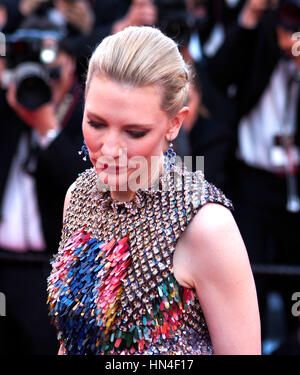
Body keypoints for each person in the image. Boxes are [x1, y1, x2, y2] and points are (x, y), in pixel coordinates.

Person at [47, 25, 261, 355]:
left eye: (135, 132)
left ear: (175, 123)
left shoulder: (206, 226)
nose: (111, 148)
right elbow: (70, 340)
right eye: (96, 123)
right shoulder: (77, 197)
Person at [204, 0, 300, 347]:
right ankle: (250, 345)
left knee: (295, 288)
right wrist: (253, 15)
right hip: (252, 179)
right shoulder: (256, 34)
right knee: (250, 271)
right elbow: (217, 76)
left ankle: (294, 337)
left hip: (294, 182)